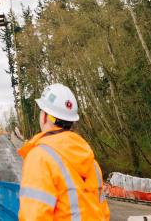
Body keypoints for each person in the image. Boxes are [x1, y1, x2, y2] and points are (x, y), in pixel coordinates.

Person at [17, 84, 110, 221]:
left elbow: (34, 216)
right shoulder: (91, 162)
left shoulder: (40, 157)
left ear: (45, 117)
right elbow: (103, 214)